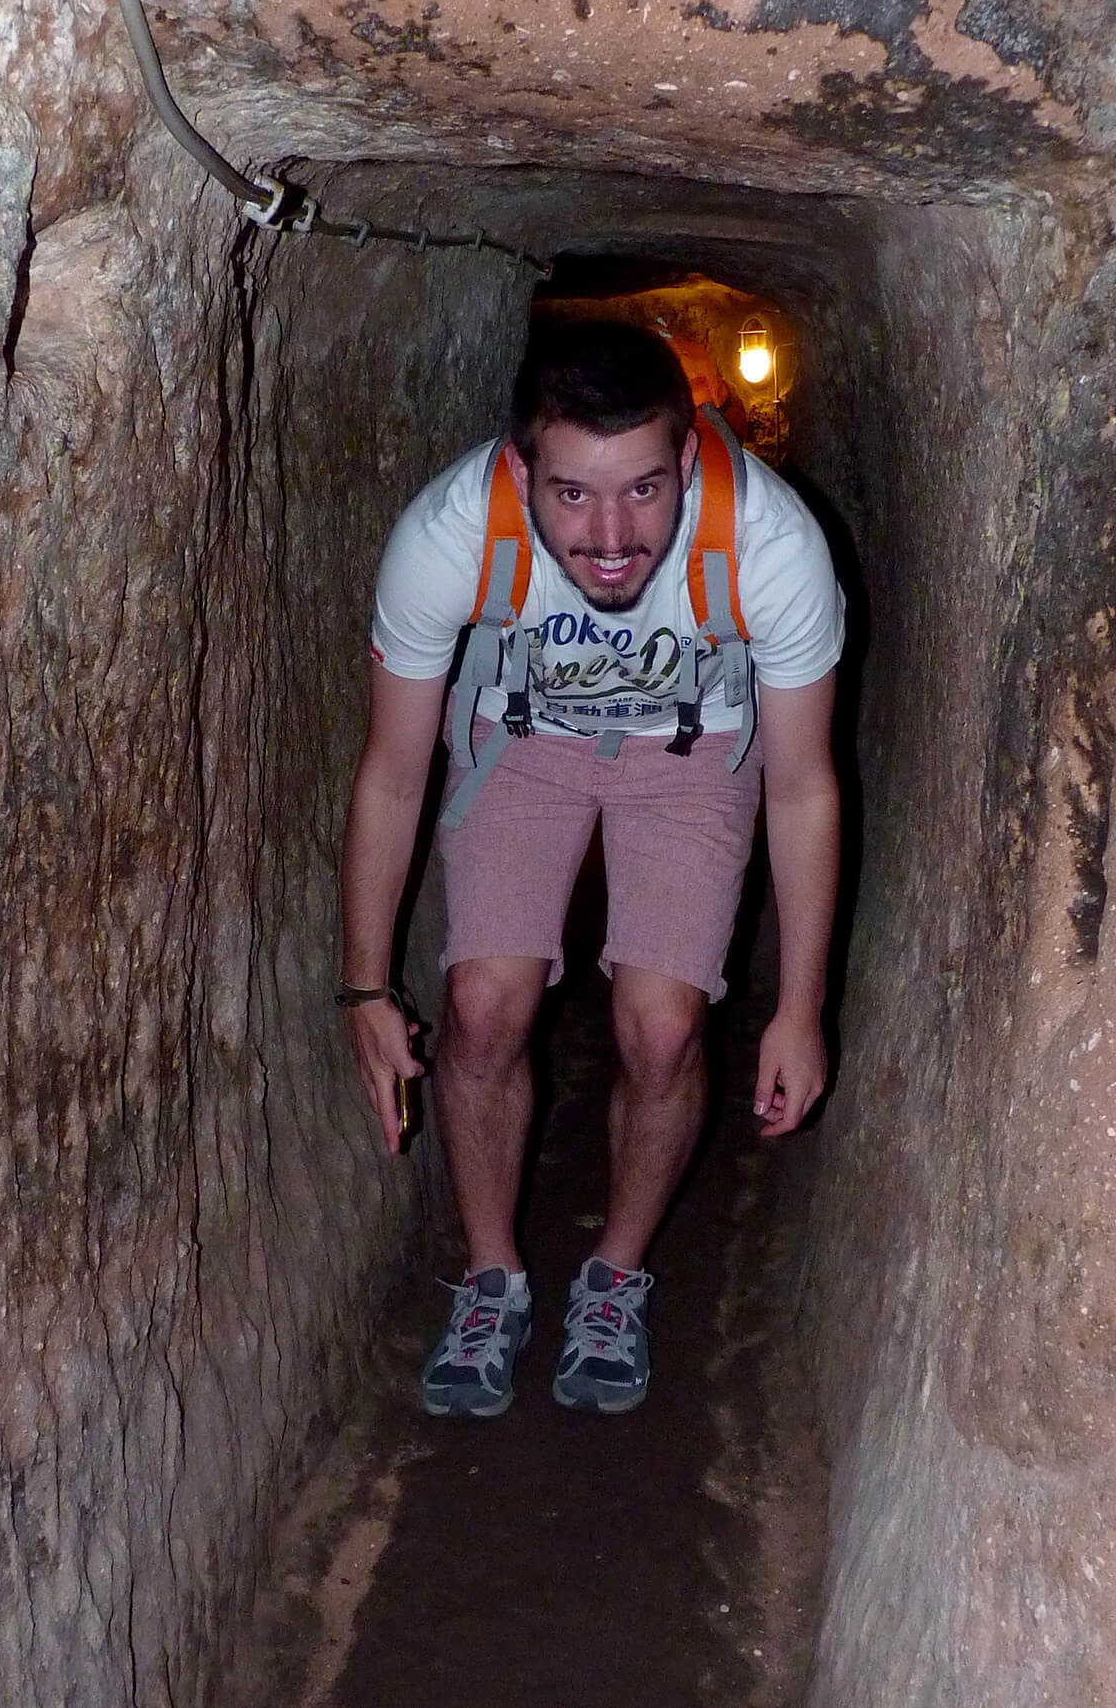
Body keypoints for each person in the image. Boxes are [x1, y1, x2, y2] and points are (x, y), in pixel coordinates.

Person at [337, 320, 844, 1419]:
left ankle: (613, 1275)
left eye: (644, 490)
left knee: (662, 1028)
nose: (612, 537)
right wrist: (366, 986)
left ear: (690, 459)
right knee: (482, 1006)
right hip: (520, 734)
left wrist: (800, 1007)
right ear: (521, 472)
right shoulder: (448, 536)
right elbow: (392, 773)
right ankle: (492, 1279)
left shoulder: (771, 548)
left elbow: (804, 786)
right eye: (571, 495)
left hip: (694, 745)